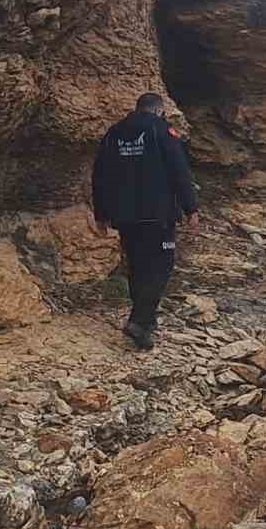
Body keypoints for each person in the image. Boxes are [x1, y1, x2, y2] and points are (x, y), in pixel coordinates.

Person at [92, 93, 199, 350]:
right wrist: (191, 207)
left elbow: (100, 174)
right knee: (161, 267)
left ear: (136, 108)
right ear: (159, 111)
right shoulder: (161, 130)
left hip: (125, 215)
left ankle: (146, 322)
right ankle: (139, 321)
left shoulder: (114, 133)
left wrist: (102, 213)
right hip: (157, 213)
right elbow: (178, 169)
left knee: (138, 266)